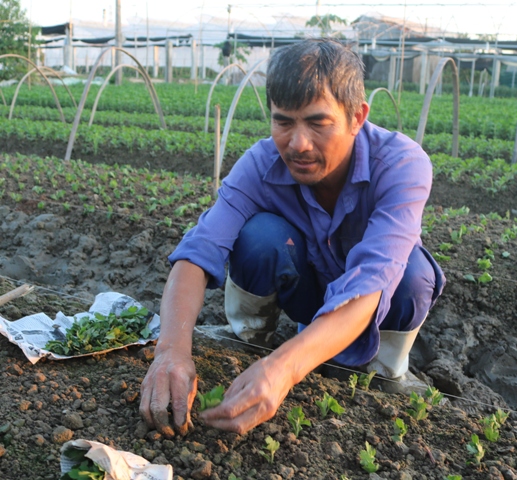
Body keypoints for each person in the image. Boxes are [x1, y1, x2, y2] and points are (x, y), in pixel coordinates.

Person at [139, 38, 445, 437]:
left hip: (368, 308)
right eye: (283, 121)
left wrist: (284, 369)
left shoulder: (402, 164)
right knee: (261, 237)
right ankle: (252, 341)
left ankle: (385, 369)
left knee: (410, 273)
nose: (298, 144)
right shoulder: (261, 163)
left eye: (318, 122)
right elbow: (198, 253)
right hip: (306, 294)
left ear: (356, 118)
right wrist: (171, 352)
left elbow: (372, 281)